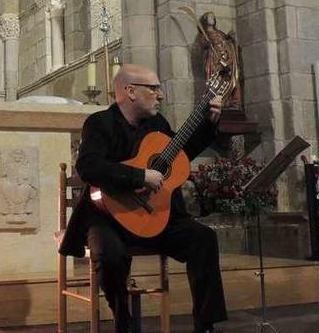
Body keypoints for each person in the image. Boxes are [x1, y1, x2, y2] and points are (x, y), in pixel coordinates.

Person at [59, 64, 228, 332]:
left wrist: (208, 124)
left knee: (203, 238)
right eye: (154, 88)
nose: (161, 95)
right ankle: (122, 318)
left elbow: (180, 155)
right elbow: (89, 166)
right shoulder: (100, 123)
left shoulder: (157, 124)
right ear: (130, 91)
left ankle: (205, 325)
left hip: (154, 216)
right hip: (108, 218)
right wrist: (139, 176)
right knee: (109, 254)